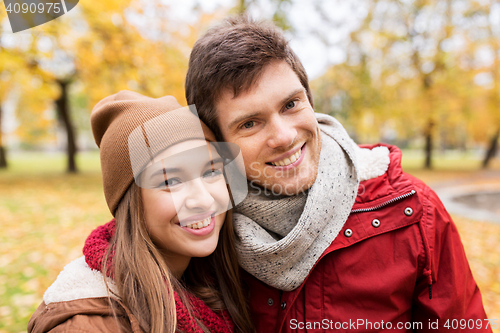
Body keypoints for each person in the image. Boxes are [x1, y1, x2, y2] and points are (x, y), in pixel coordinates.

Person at [184, 16, 492, 332]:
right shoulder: (201, 232)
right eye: (249, 123)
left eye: (290, 104)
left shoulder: (413, 211)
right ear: (217, 144)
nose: (285, 136)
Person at [28, 91, 254, 333]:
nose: (203, 198)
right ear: (130, 202)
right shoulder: (87, 326)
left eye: (211, 171)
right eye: (170, 181)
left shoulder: (219, 279)